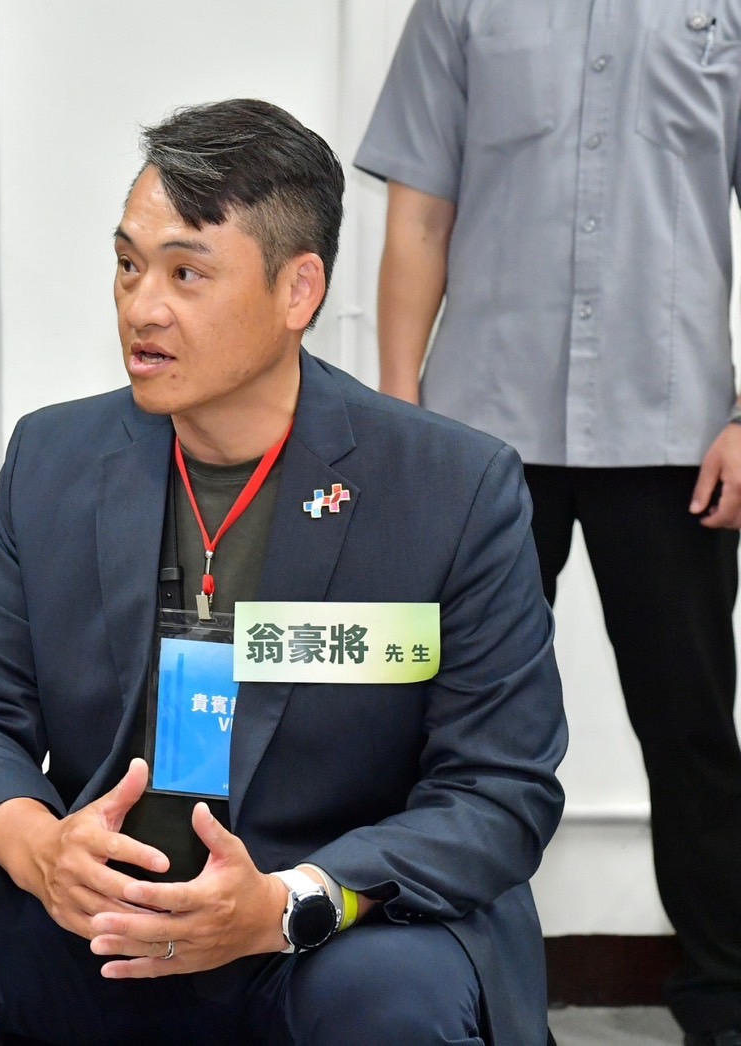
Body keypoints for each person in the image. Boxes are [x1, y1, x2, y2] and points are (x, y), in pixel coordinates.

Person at [0, 98, 567, 1045]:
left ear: (298, 291)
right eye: (129, 265)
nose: (142, 307)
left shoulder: (451, 488)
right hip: (115, 912)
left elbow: (498, 791)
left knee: (392, 996)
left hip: (324, 926)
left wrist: (287, 903)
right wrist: (41, 846)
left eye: (186, 272)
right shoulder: (55, 459)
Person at [355, 5, 741, 1042]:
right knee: (440, 726)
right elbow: (419, 214)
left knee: (692, 728)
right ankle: (427, 981)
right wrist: (401, 420)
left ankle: (724, 997)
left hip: (672, 430)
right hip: (481, 434)